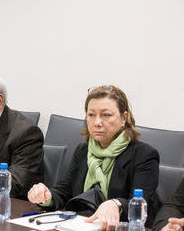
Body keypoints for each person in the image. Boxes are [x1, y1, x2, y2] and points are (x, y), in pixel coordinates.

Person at [27, 85, 160, 230]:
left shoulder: (144, 155)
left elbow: (140, 204)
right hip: (82, 225)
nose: (97, 122)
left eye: (106, 115)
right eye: (91, 115)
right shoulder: (83, 150)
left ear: (124, 118)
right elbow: (63, 192)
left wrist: (116, 203)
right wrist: (46, 196)